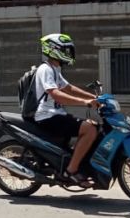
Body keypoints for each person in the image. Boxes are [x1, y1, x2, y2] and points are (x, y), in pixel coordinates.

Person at [33, 33, 99, 187]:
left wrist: (94, 98)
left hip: (56, 115)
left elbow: (69, 88)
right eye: (65, 50)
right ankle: (71, 170)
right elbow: (56, 94)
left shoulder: (55, 69)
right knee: (90, 129)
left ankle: (74, 161)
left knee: (91, 124)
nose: (68, 54)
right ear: (54, 50)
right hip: (47, 117)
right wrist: (85, 102)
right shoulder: (45, 69)